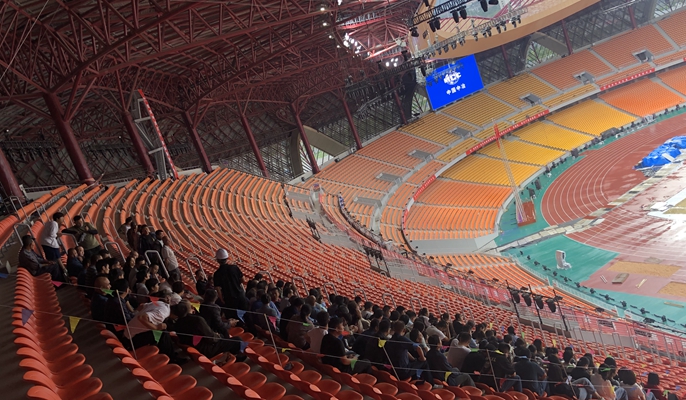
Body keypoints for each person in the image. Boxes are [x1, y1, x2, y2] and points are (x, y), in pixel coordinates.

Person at [173, 300, 241, 358]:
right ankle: (235, 357)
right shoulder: (197, 320)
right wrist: (218, 336)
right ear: (190, 308)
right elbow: (211, 338)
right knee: (237, 340)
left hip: (195, 348)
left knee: (223, 334)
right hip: (206, 349)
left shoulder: (176, 324)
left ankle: (228, 354)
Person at [213, 249, 247, 318]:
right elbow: (243, 280)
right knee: (245, 316)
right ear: (227, 258)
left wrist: (222, 299)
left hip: (229, 299)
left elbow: (218, 289)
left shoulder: (217, 274)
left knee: (233, 318)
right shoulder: (234, 268)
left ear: (217, 260)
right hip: (240, 295)